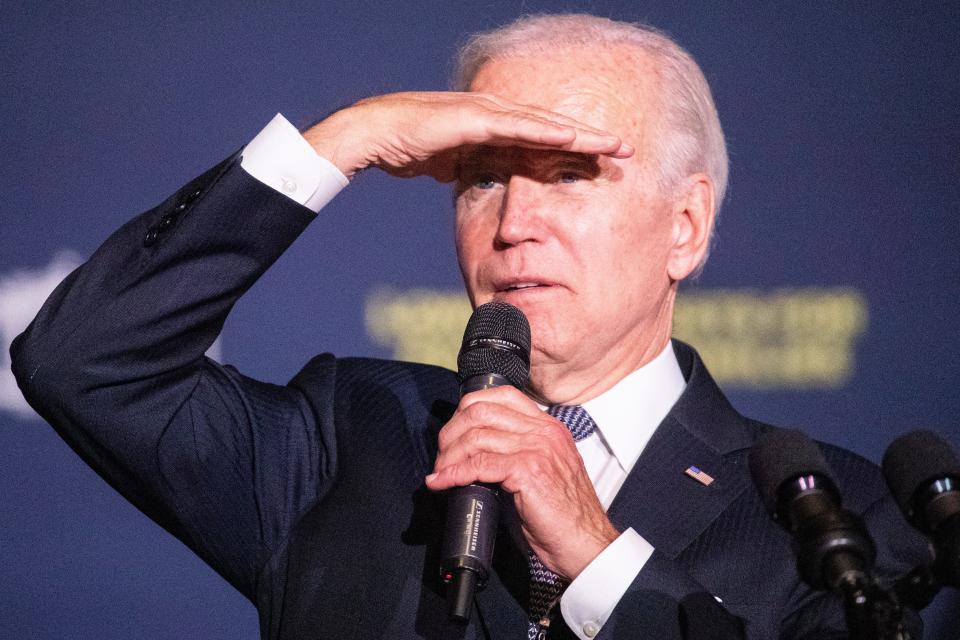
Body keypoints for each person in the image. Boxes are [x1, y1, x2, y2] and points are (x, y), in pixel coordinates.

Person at [11, 13, 929, 640]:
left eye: (568, 175)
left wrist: (600, 560)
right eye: (482, 176)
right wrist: (350, 136)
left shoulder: (845, 522)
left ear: (684, 227)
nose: (513, 220)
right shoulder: (352, 431)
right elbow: (82, 358)